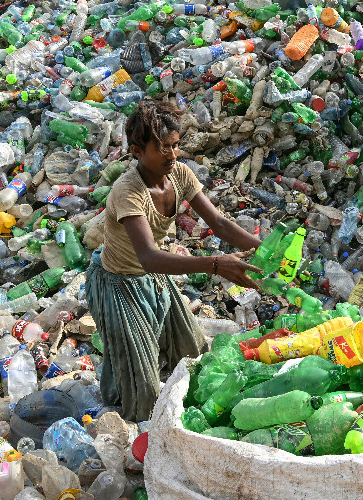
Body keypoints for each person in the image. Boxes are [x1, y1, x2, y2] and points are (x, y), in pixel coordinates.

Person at [85, 99, 263, 421]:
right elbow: (150, 256)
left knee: (193, 355)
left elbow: (220, 224)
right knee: (146, 398)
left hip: (152, 277)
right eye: (162, 148)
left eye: (176, 146)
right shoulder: (128, 192)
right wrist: (215, 264)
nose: (172, 155)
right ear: (138, 151)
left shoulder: (179, 174)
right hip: (119, 283)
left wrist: (265, 252)